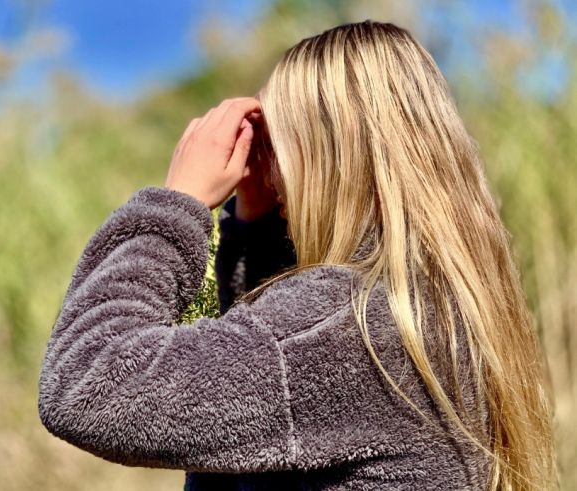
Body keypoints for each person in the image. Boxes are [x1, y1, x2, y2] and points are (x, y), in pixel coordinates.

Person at [37, 20, 556, 490]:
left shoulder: (348, 325)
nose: (268, 164)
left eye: (279, 140)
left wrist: (177, 204)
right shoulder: (422, 306)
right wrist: (255, 228)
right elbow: (270, 386)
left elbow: (89, 385)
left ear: (334, 149)